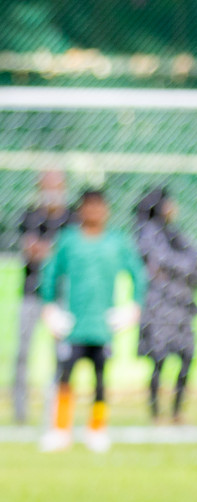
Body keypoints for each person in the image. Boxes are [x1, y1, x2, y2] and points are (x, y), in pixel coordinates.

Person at [37, 190, 145, 453]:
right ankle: (61, 429)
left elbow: (138, 275)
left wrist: (132, 306)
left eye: (99, 207)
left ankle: (97, 428)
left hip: (102, 326)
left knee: (100, 379)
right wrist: (50, 307)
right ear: (81, 210)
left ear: (106, 210)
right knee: (65, 377)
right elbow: (50, 273)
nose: (95, 212)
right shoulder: (68, 241)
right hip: (73, 325)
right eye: (89, 207)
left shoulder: (116, 242)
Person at [134, 187, 197, 424]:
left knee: (187, 355)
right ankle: (156, 413)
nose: (174, 208)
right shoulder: (148, 233)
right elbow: (165, 261)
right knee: (158, 359)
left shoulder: (174, 233)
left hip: (182, 307)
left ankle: (177, 411)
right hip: (160, 308)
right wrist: (193, 268)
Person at [13, 170, 72, 424]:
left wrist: (47, 251)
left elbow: (66, 255)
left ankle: (55, 411)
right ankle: (20, 411)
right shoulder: (30, 216)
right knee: (23, 353)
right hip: (31, 294)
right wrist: (52, 251)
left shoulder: (71, 218)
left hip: (59, 298)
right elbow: (32, 250)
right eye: (46, 184)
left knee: (60, 355)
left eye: (55, 184)